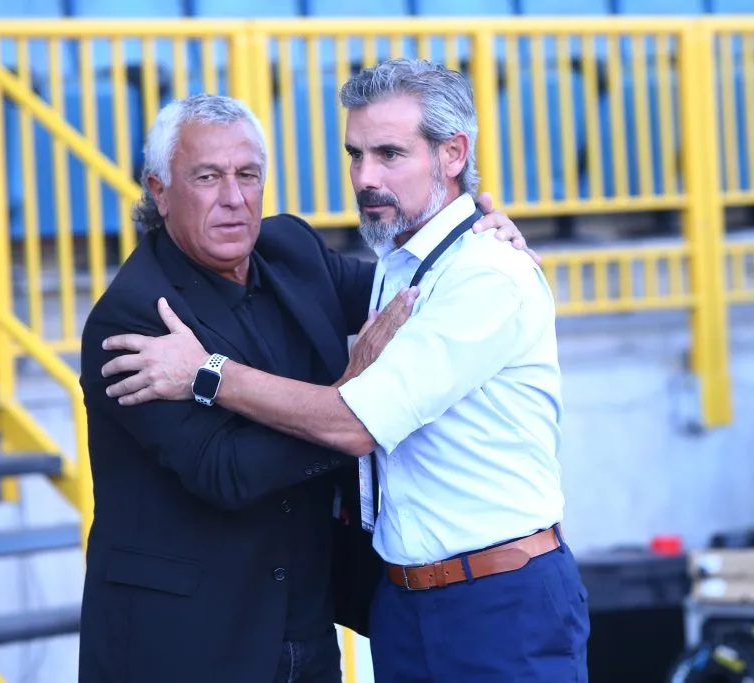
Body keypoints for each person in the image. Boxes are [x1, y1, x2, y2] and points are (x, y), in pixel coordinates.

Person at [102, 59, 589, 682]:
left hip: (497, 603)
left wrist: (208, 373)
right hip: (398, 606)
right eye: (355, 155)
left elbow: (356, 424)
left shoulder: (484, 275)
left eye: (390, 154)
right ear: (159, 189)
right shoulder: (400, 259)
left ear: (452, 154)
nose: (366, 178)